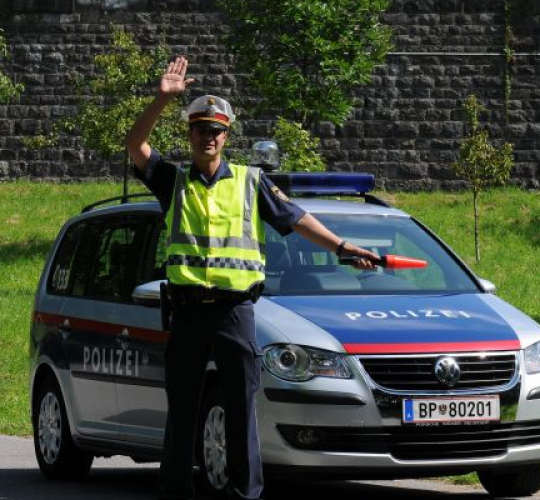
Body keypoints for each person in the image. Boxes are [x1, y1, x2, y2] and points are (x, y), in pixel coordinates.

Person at [125, 56, 378, 500]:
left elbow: (296, 218)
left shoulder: (249, 181)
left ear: (226, 136)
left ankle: (246, 494)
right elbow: (135, 144)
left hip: (235, 312)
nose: (209, 137)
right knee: (182, 411)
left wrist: (341, 247)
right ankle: (176, 490)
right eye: (201, 128)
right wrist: (161, 99)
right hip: (185, 312)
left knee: (241, 410)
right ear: (190, 134)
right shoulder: (173, 180)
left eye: (217, 130)